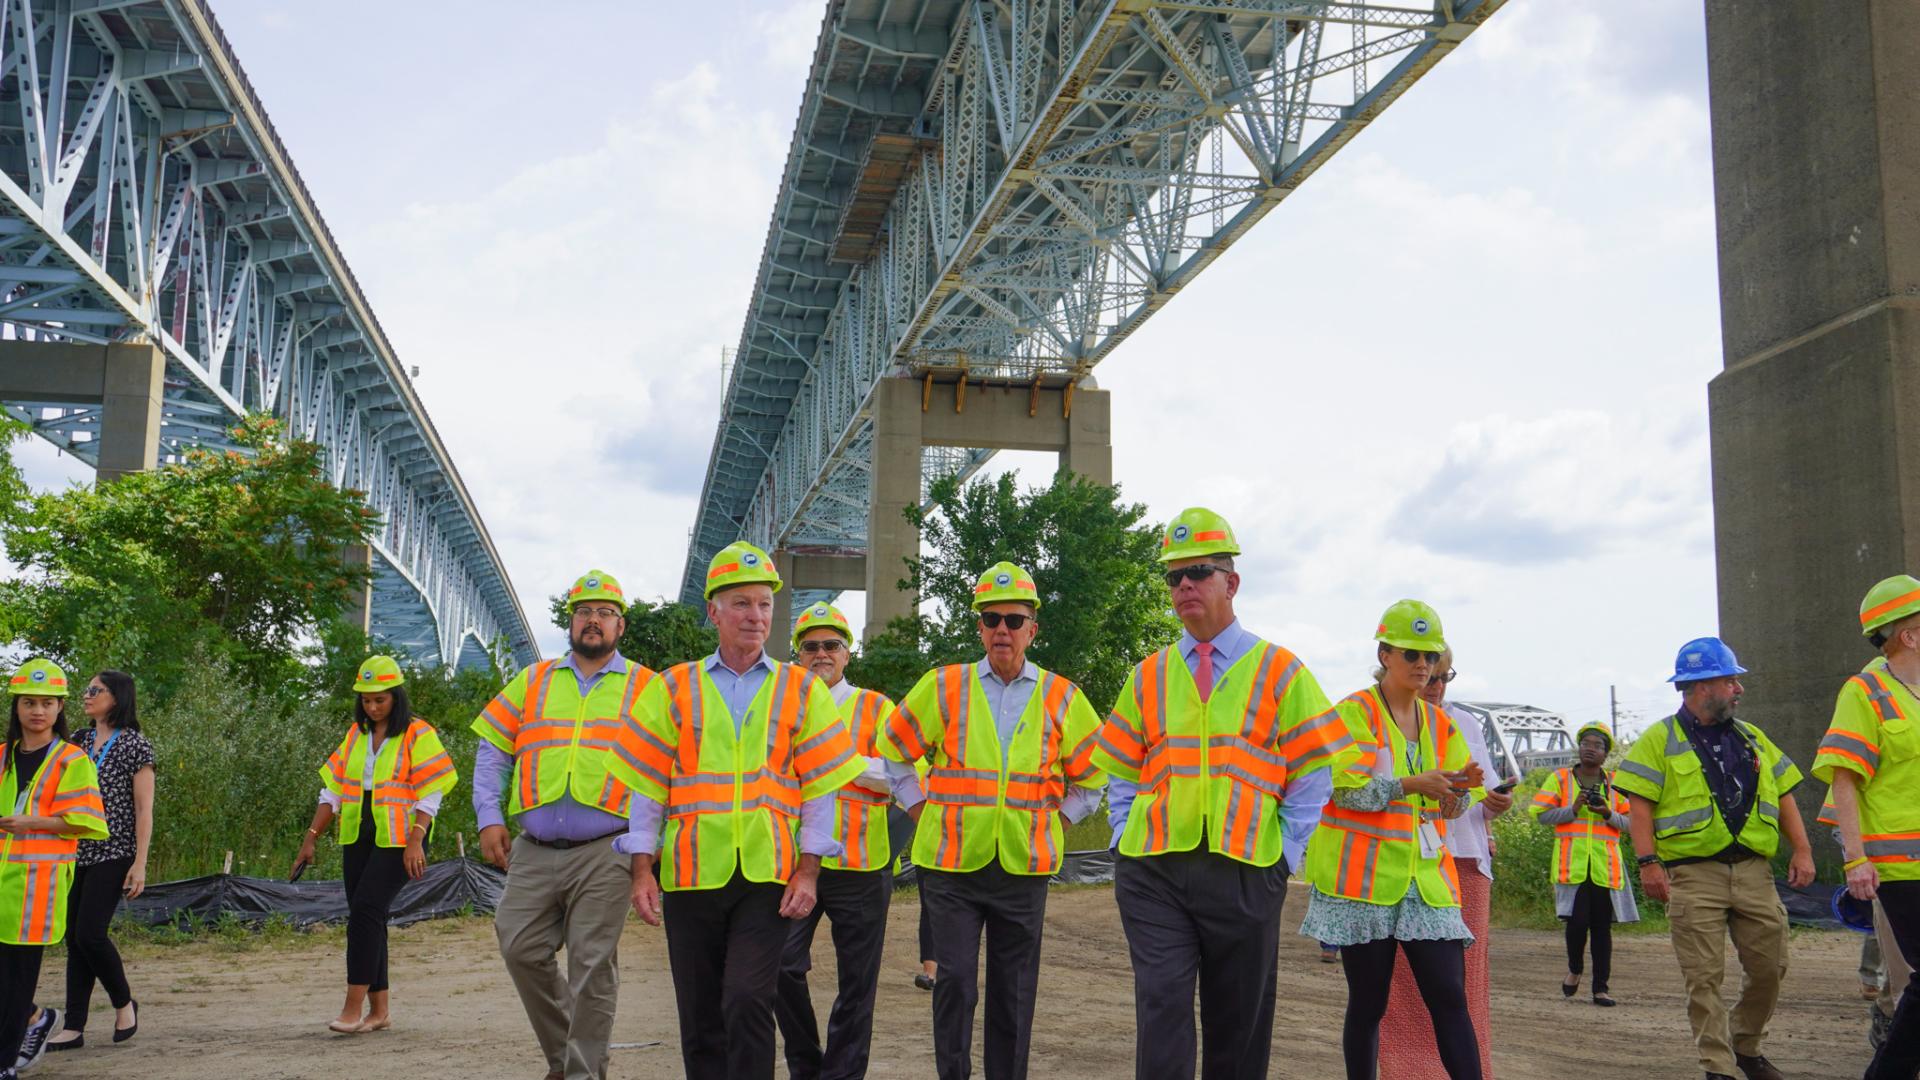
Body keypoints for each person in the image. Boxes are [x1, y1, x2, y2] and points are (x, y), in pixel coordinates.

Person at [1091, 507, 1347, 1080]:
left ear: (1230, 582)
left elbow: (1312, 775)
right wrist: (1120, 836)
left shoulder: (1280, 670)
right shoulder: (1148, 675)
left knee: (1238, 1026)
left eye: (1198, 572)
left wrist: (1286, 855)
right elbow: (1122, 769)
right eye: (1173, 576)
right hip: (1153, 872)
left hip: (1247, 871)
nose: (1183, 585)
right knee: (1161, 1009)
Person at [612, 543, 862, 1080]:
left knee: (748, 999)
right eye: (742, 604)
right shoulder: (673, 687)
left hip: (767, 875)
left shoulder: (801, 688)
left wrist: (810, 869)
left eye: (765, 605)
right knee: (699, 1013)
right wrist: (640, 869)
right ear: (714, 611)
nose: (756, 616)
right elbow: (648, 787)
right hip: (690, 874)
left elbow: (820, 788)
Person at [878, 560, 1106, 1080]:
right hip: (950, 866)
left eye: (1013, 618)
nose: (1001, 628)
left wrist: (1059, 824)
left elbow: (1094, 777)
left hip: (1023, 869)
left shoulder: (1062, 696)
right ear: (978, 626)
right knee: (955, 981)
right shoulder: (942, 686)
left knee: (1015, 987)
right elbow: (893, 751)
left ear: (1032, 628)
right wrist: (916, 805)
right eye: (990, 618)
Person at [472, 570, 656, 1080]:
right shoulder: (533, 680)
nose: (592, 621)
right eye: (583, 612)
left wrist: (650, 841)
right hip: (532, 847)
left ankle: (581, 1071)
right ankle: (568, 1056)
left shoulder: (648, 687)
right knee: (519, 947)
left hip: (608, 847)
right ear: (569, 621)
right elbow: (491, 752)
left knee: (592, 965)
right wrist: (489, 818)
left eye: (604, 613)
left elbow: (666, 767)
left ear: (621, 626)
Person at [1300, 601, 1486, 1080]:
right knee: (1368, 1002)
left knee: (1449, 997)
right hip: (1362, 885)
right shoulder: (1353, 714)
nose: (1423, 666)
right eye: (1411, 655)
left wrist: (1455, 795)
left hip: (1426, 882)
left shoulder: (1442, 725)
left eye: (1430, 657)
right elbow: (1345, 789)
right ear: (1385, 654)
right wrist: (1411, 785)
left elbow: (1453, 804)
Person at [1614, 637, 1814, 1080]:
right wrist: (1648, 862)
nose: (1739, 689)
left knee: (1771, 967)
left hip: (1754, 873)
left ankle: (1745, 1044)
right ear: (1702, 687)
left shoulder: (1752, 737)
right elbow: (1640, 806)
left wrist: (1802, 848)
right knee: (1703, 978)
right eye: (1730, 680)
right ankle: (1717, 1067)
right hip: (1693, 876)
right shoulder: (1658, 739)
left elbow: (1783, 795)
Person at [774, 601, 923, 1080]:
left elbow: (903, 774)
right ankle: (805, 1064)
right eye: (811, 646)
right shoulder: (783, 707)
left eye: (831, 645)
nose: (821, 654)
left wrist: (844, 762)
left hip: (862, 864)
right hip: (795, 864)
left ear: (847, 653)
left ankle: (840, 1074)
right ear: (798, 655)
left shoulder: (877, 708)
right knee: (780, 968)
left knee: (857, 984)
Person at [295, 655, 458, 1033]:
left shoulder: (418, 733)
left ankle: (352, 1009)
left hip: (400, 838)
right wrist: (311, 838)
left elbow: (431, 791)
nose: (372, 706)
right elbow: (333, 790)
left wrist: (417, 839)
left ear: (396, 697)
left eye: (380, 699)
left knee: (364, 912)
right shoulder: (356, 735)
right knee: (370, 916)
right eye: (366, 700)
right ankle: (380, 1011)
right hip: (357, 834)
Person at [1378, 647, 1513, 1079]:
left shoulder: (1466, 723)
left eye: (1442, 677)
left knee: (1462, 985)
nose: (1434, 686)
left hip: (1464, 862)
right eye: (1428, 676)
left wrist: (1496, 802)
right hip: (1400, 860)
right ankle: (1409, 1072)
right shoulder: (1373, 715)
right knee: (1403, 986)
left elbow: (1482, 801)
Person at [1816, 574, 1920, 1079]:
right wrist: (1855, 859)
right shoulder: (1866, 692)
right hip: (1900, 865)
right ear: (1909, 635)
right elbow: (1844, 777)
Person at [0, 659, 108, 1080]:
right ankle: (36, 1018)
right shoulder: (4, 757)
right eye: (29, 702)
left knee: (16, 979)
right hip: (2, 880)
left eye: (47, 703)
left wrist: (32, 822)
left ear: (60, 708)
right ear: (17, 707)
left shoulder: (71, 760)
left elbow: (88, 822)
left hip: (35, 886)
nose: (37, 711)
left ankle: (5, 1062)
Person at [43, 670, 153, 1053]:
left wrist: (139, 863)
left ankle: (124, 1003)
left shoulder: (136, 745)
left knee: (90, 933)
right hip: (74, 850)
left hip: (114, 850)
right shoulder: (78, 741)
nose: (86, 695)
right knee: (74, 938)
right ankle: (74, 1026)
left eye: (95, 690)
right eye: (86, 690)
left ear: (117, 697)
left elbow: (143, 810)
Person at [1528, 722, 1638, 1009]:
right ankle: (1575, 968)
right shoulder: (1560, 779)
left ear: (1605, 754)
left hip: (1605, 867)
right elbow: (1540, 815)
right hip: (1571, 866)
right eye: (1586, 743)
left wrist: (1607, 813)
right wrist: (1573, 809)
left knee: (1602, 928)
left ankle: (1600, 988)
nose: (1590, 748)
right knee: (1576, 924)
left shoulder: (1616, 784)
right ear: (1579, 748)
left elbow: (1633, 824)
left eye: (1597, 745)